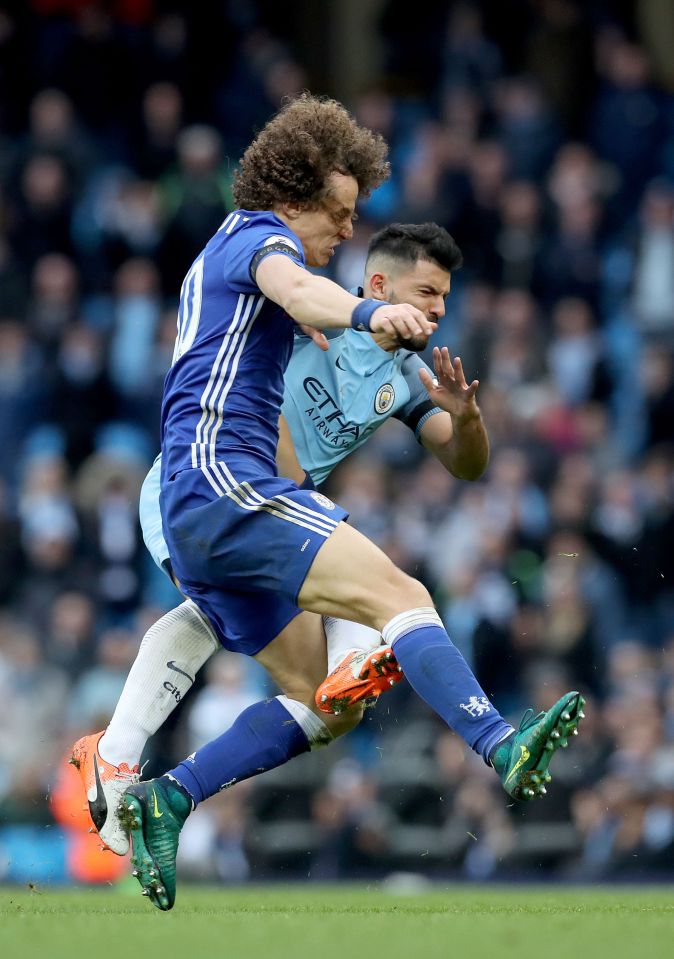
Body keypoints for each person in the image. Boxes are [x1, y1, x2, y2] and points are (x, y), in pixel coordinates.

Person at [75, 96, 583, 911]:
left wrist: (468, 414)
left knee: (325, 702)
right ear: (296, 194)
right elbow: (306, 297)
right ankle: (499, 739)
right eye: (339, 215)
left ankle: (162, 794)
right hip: (218, 479)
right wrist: (368, 311)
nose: (344, 231)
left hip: (226, 501)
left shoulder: (370, 347)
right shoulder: (261, 240)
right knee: (401, 596)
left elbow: (464, 464)